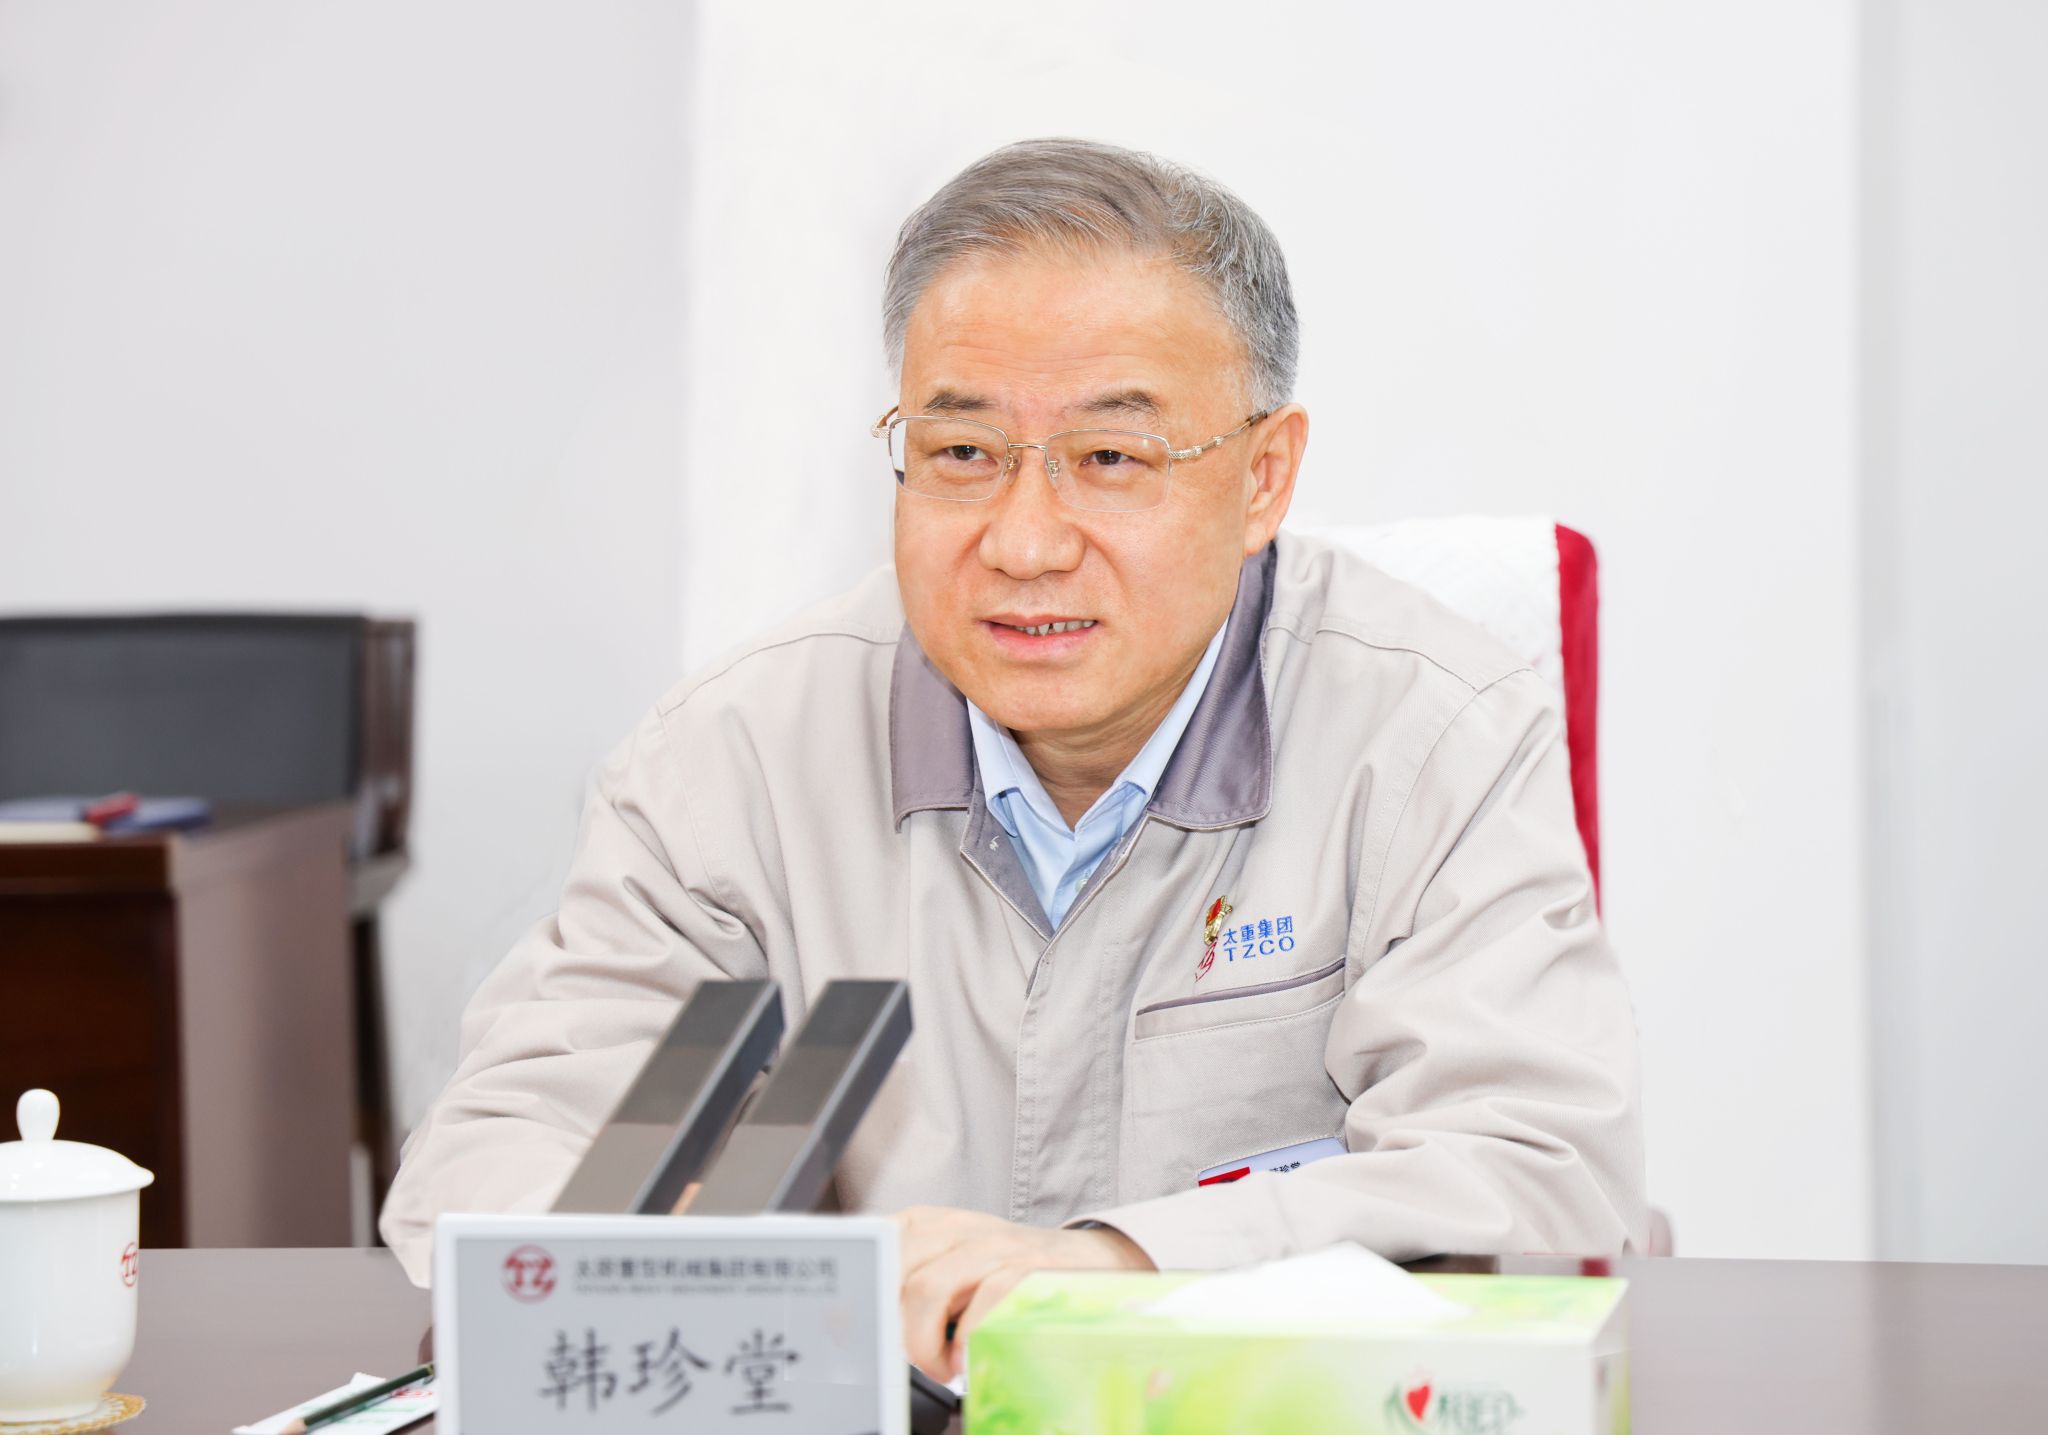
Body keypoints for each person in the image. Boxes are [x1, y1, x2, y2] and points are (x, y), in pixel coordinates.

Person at [380, 137, 1646, 1382]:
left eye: (1110, 458)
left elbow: (1538, 1177)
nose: (1024, 543)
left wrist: (1119, 1266)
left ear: (1262, 478)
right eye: (962, 454)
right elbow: (492, 1161)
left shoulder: (1433, 736)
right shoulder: (736, 757)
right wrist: (692, 1256)